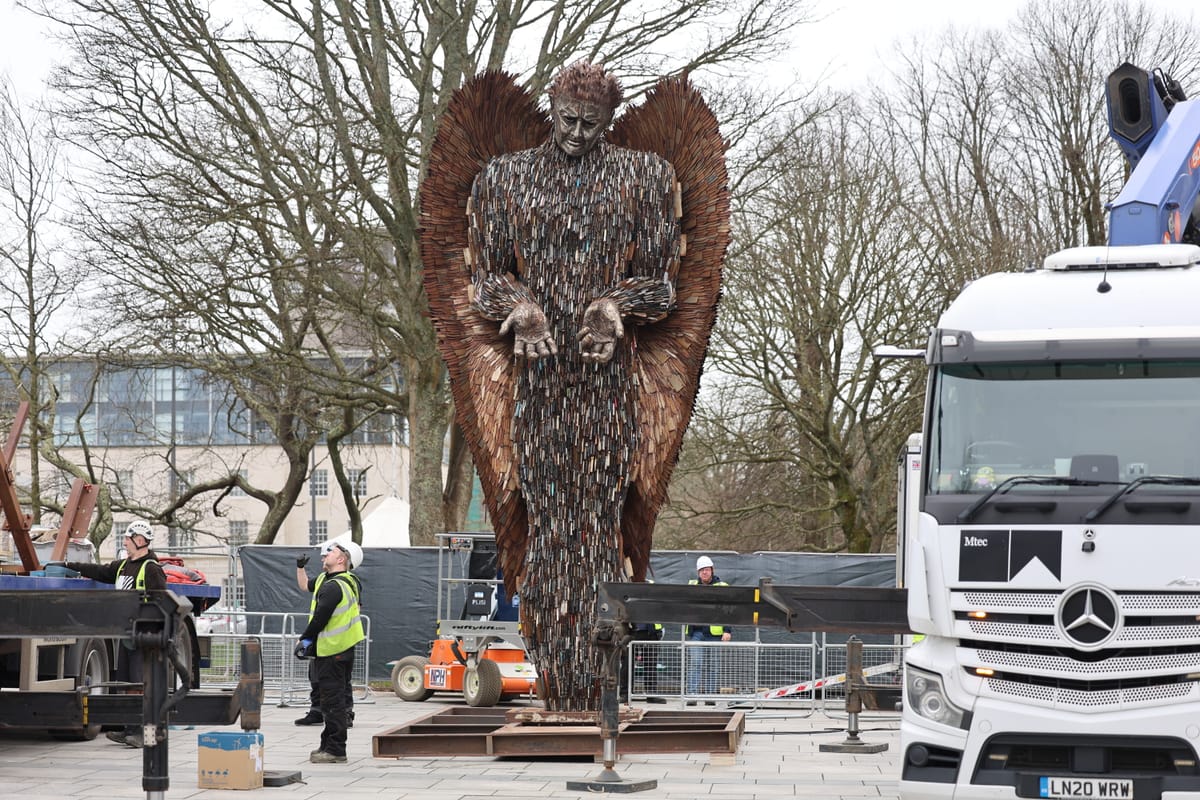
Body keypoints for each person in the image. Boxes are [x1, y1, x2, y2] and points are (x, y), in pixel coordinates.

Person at [466, 61, 681, 710]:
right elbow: (486, 277)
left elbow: (662, 285)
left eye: (590, 124)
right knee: (549, 531)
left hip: (606, 393)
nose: (577, 134)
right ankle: (557, 681)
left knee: (597, 531)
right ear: (550, 108)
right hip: (539, 393)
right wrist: (519, 307)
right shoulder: (506, 180)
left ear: (608, 121)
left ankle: (596, 681)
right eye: (567, 120)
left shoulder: (643, 179)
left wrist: (616, 304)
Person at [64, 520, 166, 747]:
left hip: (143, 637)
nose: (125, 542)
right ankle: (129, 729)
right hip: (126, 635)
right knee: (126, 684)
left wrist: (154, 636)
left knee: (141, 685)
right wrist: (70, 565)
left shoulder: (152, 569)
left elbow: (162, 604)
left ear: (140, 541)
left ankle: (143, 734)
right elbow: (100, 571)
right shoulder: (123, 567)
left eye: (128, 539)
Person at [295, 540, 365, 764]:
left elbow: (320, 618)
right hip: (338, 650)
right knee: (330, 700)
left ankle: (335, 750)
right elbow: (306, 586)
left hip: (334, 650)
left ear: (342, 559)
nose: (326, 554)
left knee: (333, 701)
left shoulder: (335, 586)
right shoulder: (337, 582)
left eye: (332, 552)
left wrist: (304, 639)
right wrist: (300, 567)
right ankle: (327, 744)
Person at [685, 555, 731, 705]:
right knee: (695, 663)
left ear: (712, 570)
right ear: (698, 572)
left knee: (713, 665)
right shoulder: (691, 585)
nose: (704, 573)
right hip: (696, 632)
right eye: (701, 570)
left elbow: (729, 611)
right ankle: (692, 695)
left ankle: (710, 696)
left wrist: (727, 630)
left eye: (706, 570)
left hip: (714, 634)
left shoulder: (723, 587)